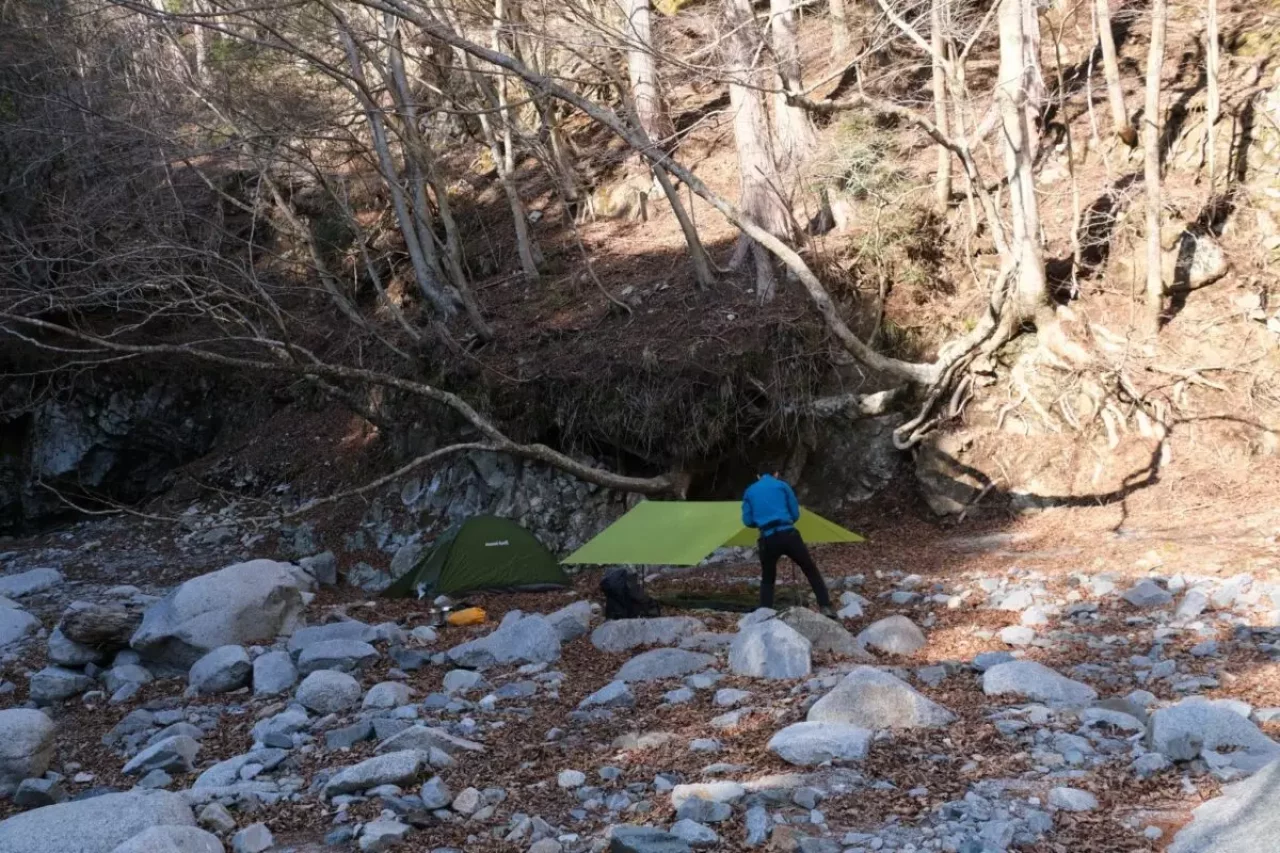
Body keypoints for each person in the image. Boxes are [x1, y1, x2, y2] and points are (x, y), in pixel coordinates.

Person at [741, 467, 836, 618]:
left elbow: (747, 520)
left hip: (767, 538)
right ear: (776, 473)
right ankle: (825, 607)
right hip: (788, 534)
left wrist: (761, 522)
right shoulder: (782, 486)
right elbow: (795, 513)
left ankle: (764, 613)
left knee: (768, 577)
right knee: (810, 569)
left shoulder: (750, 491)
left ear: (758, 476)